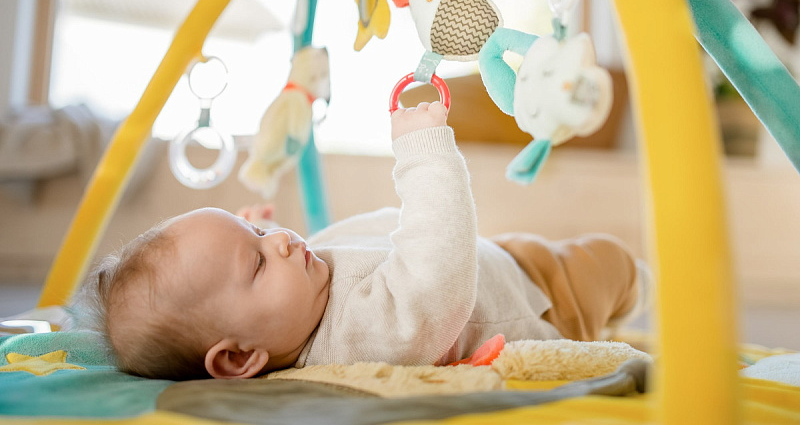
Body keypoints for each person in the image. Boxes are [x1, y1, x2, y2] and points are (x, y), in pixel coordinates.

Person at [72, 101, 650, 381]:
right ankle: (643, 294)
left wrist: (247, 244)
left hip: (499, 262)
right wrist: (424, 153)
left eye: (259, 233)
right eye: (256, 263)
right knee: (610, 262)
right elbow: (436, 271)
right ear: (240, 357)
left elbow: (279, 269)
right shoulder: (360, 339)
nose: (280, 241)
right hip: (545, 298)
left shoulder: (295, 306)